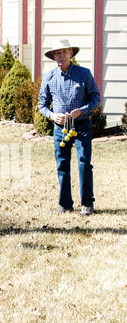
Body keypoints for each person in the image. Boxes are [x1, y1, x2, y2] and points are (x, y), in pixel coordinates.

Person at [38, 39, 100, 215]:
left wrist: (81, 111)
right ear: (53, 57)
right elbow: (42, 105)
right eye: (57, 53)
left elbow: (95, 98)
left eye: (64, 52)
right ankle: (65, 204)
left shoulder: (84, 73)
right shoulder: (49, 77)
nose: (61, 56)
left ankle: (87, 203)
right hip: (60, 127)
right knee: (62, 165)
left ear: (71, 53)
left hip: (81, 125)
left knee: (84, 163)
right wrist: (52, 115)